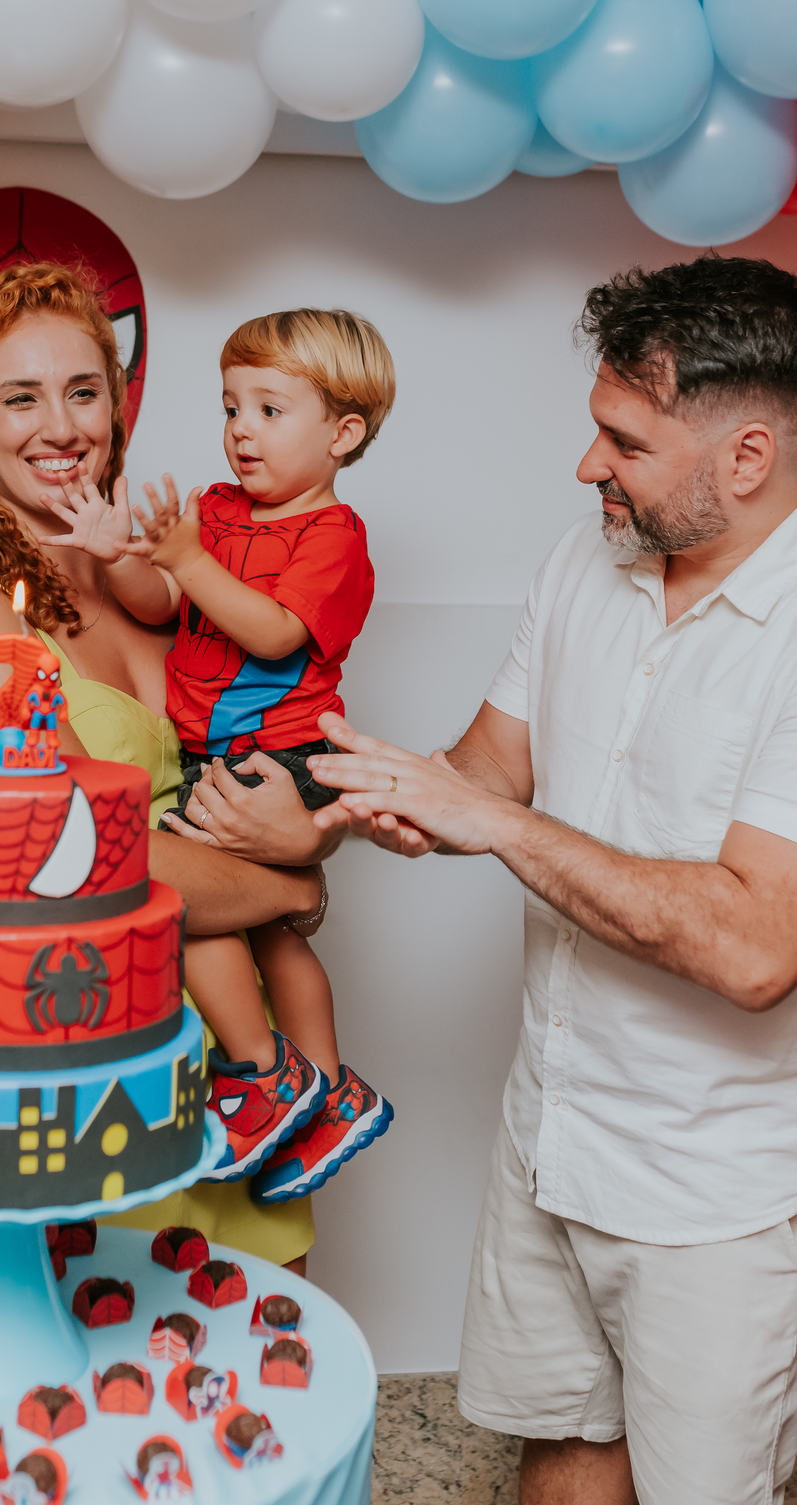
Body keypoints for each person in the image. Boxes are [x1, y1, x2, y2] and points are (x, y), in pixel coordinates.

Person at [307, 255, 797, 1505]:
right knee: (564, 1444)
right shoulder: (591, 561)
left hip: (716, 1198)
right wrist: (335, 798)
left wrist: (488, 821)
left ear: (746, 458)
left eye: (623, 441)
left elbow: (755, 947)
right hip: (551, 1134)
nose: (588, 467)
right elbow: (485, 773)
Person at [0, 262, 333, 1271]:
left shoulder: (155, 575)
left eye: (84, 390)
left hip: (248, 1064)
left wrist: (305, 828)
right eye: (20, 396)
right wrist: (292, 878)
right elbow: (82, 852)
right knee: (128, 1386)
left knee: (268, 1380)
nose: (62, 425)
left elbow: (269, 749)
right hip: (103, 1060)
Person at [43, 308, 394, 1204]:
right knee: (264, 925)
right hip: (221, 752)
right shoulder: (216, 509)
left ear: (344, 433)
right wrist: (120, 551)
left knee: (190, 910)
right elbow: (163, 603)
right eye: (231, 407)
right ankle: (326, 1093)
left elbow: (276, 634)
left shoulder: (333, 537)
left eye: (270, 410)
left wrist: (190, 559)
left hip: (283, 756)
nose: (240, 429)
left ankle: (271, 1074)